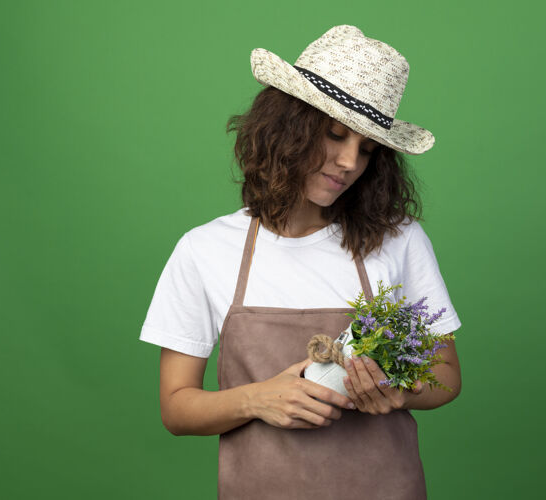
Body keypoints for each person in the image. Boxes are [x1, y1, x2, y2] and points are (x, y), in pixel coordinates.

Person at [140, 25, 462, 500]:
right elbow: (176, 408)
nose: (349, 162)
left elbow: (447, 376)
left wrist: (400, 391)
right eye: (335, 135)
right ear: (287, 127)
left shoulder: (399, 239)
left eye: (367, 149)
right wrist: (257, 398)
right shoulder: (205, 249)